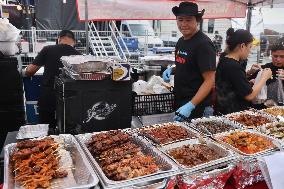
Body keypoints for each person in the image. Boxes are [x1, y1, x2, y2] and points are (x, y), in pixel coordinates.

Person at [162, 2, 216, 121]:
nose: (183, 24)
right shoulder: (181, 41)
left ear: (197, 20)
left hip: (197, 107)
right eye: (180, 20)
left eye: (188, 20)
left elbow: (210, 80)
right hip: (180, 101)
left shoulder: (204, 45)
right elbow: (186, 64)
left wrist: (191, 105)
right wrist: (172, 69)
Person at [23, 30, 81, 128]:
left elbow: (30, 71)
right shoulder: (79, 56)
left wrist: (26, 71)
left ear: (58, 39)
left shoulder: (48, 49)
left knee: (46, 129)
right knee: (67, 129)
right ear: (74, 42)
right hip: (70, 100)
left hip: (48, 97)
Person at [215, 29, 272, 115]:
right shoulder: (234, 66)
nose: (250, 51)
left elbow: (231, 81)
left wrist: (249, 74)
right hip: (232, 113)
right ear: (242, 46)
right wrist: (264, 78)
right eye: (250, 47)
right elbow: (250, 95)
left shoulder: (225, 59)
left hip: (222, 109)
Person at [247, 37, 284, 106]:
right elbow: (245, 82)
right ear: (271, 55)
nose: (278, 59)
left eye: (282, 57)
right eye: (275, 56)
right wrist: (250, 72)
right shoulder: (265, 68)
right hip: (265, 106)